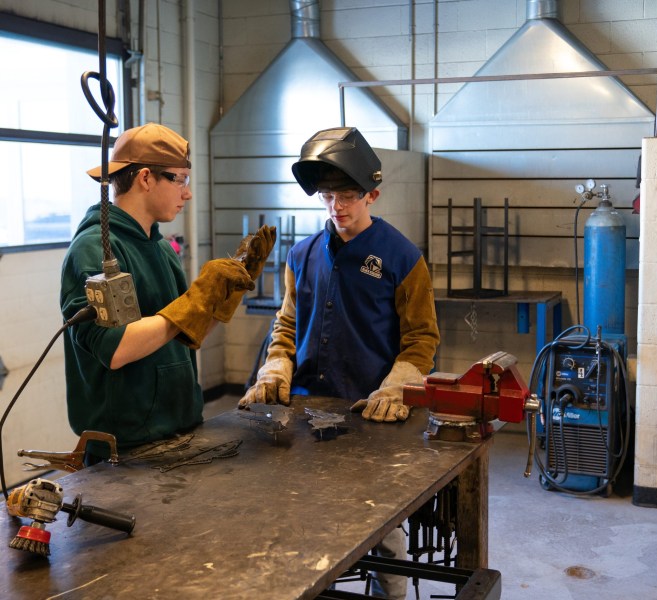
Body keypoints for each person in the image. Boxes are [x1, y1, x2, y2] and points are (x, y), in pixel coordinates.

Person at [239, 126, 439, 599]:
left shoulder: (403, 258)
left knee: (382, 527)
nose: (338, 207)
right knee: (303, 519)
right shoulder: (301, 254)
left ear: (373, 194)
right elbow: (286, 325)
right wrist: (275, 367)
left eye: (348, 195)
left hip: (370, 412)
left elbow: (421, 338)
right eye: (329, 196)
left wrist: (397, 389)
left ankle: (392, 593)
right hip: (307, 411)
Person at [61, 122, 274, 461]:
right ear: (145, 178)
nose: (187, 193)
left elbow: (183, 332)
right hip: (124, 451)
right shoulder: (95, 250)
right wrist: (193, 302)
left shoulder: (160, 248)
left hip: (181, 431)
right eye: (180, 180)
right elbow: (115, 349)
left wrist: (222, 297)